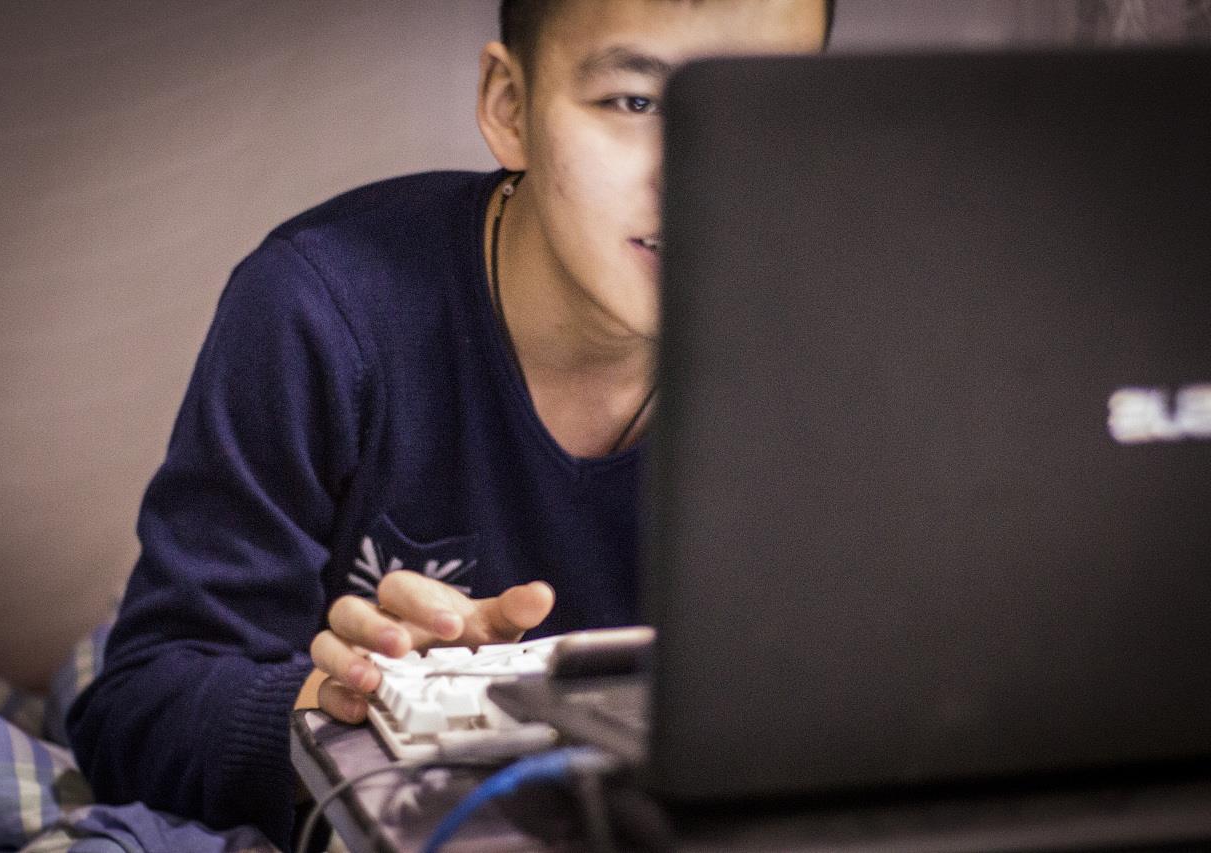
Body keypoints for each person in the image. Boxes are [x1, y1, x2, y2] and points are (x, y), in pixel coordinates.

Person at [67, 0, 830, 848]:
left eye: (762, 106)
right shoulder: (323, 310)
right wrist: (354, 709)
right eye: (634, 102)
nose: (696, 172)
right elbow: (137, 712)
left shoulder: (833, 348)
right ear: (510, 106)